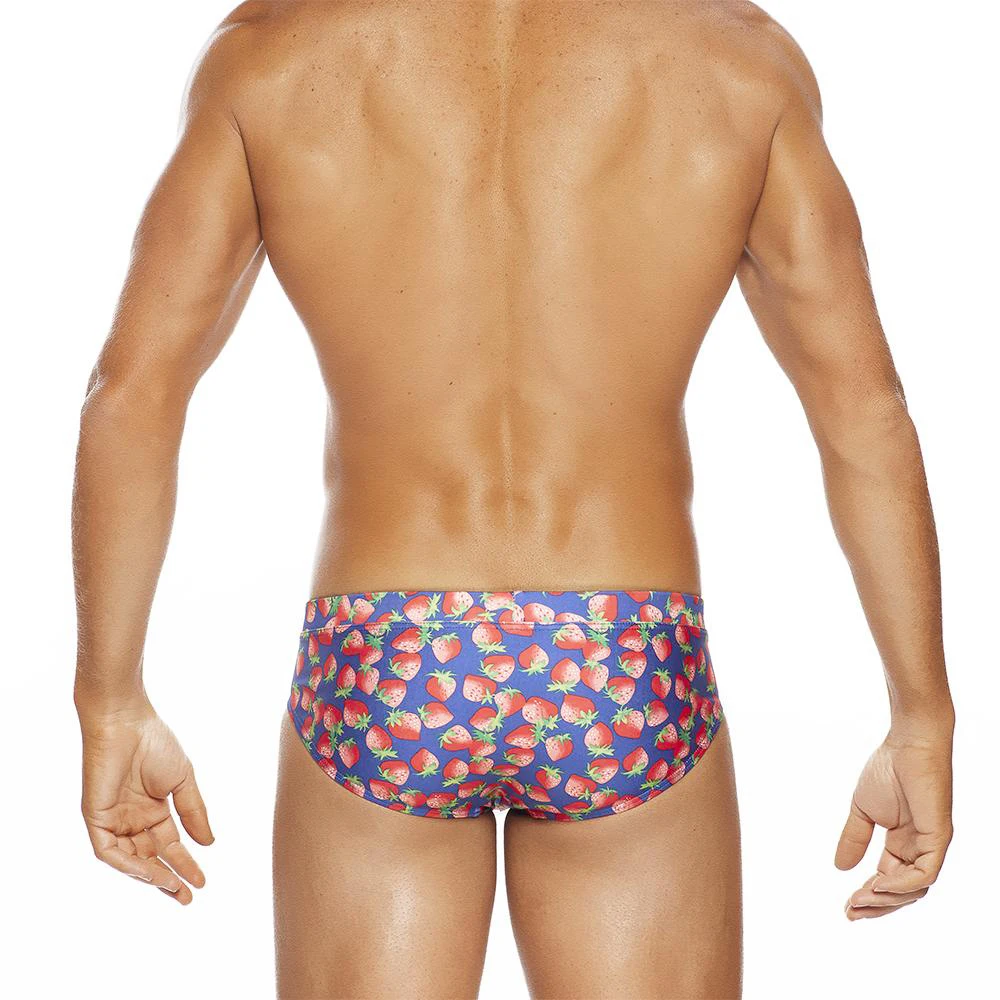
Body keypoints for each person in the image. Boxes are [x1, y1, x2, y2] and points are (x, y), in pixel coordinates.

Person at [71, 2, 955, 998]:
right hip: (625, 659)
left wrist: (109, 699)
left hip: (387, 657)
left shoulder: (272, 51)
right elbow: (863, 413)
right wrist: (920, 715)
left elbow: (130, 394)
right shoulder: (734, 56)